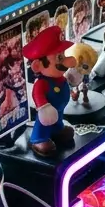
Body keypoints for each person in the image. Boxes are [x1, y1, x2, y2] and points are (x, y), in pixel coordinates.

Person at [23, 26, 80, 157]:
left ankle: (57, 130)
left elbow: (66, 84)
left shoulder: (59, 78)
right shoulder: (42, 83)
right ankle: (39, 139)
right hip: (47, 113)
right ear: (38, 66)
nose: (65, 60)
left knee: (58, 120)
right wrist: (43, 107)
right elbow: (37, 95)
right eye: (59, 58)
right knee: (43, 124)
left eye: (63, 55)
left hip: (59, 110)